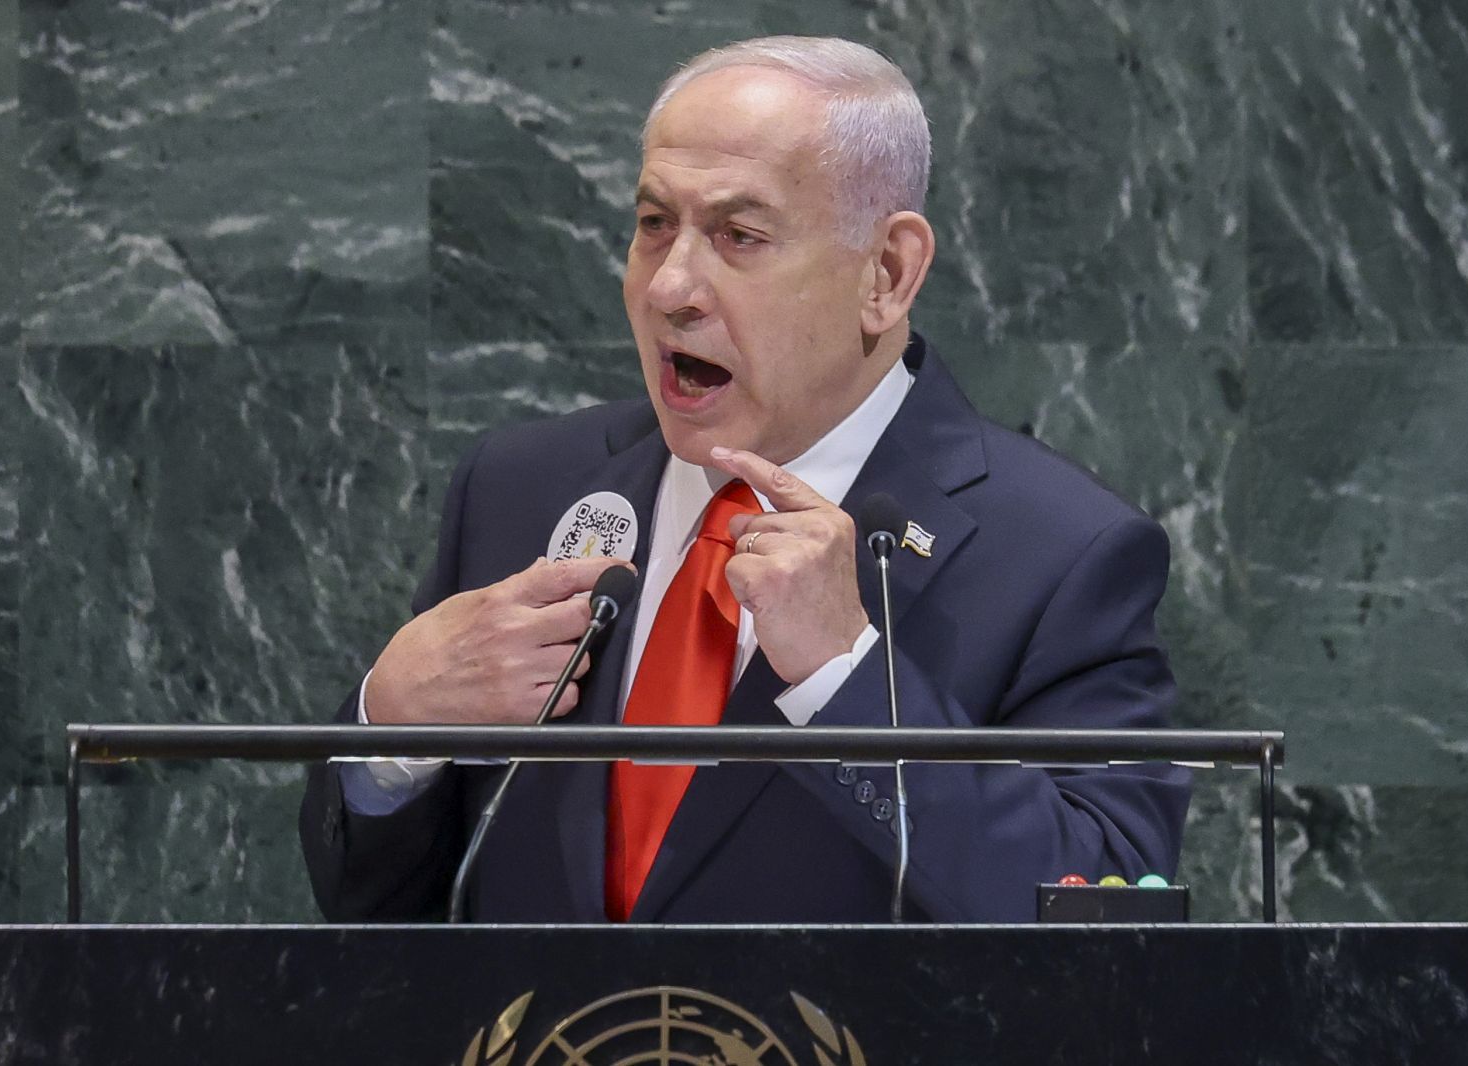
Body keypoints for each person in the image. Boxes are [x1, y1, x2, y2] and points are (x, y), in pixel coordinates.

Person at [300, 36, 1190, 923]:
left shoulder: (1062, 553)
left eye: (740, 235)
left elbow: (1102, 922)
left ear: (886, 274)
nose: (671, 287)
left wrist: (847, 678)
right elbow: (376, 911)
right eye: (654, 225)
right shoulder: (520, 487)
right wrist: (391, 725)